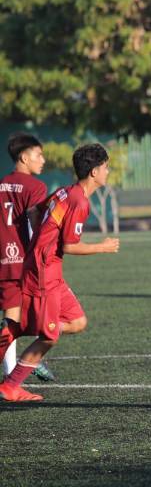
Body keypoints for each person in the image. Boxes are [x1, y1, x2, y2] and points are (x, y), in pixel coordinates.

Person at [0, 143, 120, 402]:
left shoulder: (65, 192)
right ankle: (11, 385)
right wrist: (103, 247)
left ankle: (16, 329)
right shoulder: (78, 201)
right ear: (94, 172)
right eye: (106, 167)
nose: (108, 172)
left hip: (46, 268)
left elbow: (34, 212)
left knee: (77, 322)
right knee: (50, 335)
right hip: (44, 272)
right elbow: (69, 245)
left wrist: (40, 244)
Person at [0, 133, 56, 382]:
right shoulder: (35, 187)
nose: (42, 160)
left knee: (16, 317)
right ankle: (20, 369)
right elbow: (36, 225)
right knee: (18, 319)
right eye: (38, 154)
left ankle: (24, 364)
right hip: (21, 260)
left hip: (3, 256)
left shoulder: (2, 183)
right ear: (24, 157)